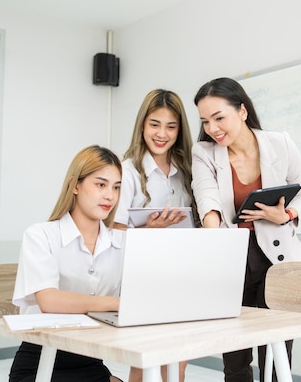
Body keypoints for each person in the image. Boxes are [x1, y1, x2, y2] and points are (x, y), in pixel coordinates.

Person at [191, 77, 301, 382]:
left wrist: (284, 215)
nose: (213, 129)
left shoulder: (279, 143)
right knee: (235, 357)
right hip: (233, 255)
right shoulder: (204, 153)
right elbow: (207, 201)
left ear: (242, 111)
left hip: (278, 260)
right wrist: (214, 232)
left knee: (275, 355)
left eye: (219, 118)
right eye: (205, 121)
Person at [9, 145, 125, 382]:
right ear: (75, 185)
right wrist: (116, 303)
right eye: (101, 184)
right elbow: (49, 301)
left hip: (91, 360)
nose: (110, 196)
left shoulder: (121, 242)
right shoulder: (40, 235)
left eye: (116, 187)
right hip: (41, 362)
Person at [113, 89, 195, 382]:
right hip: (144, 278)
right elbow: (114, 231)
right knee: (146, 362)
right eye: (154, 124)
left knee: (178, 364)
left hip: (182, 274)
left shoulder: (187, 170)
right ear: (142, 126)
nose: (162, 134)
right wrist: (151, 229)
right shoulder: (128, 171)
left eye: (171, 126)